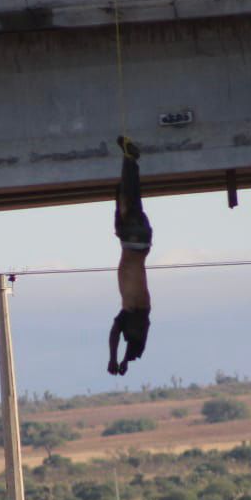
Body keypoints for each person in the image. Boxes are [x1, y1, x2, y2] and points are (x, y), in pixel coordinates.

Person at [108, 136, 152, 377]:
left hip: (133, 242)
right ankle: (130, 158)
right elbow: (119, 335)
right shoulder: (139, 310)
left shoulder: (129, 312)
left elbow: (116, 332)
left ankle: (129, 160)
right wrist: (118, 359)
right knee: (129, 203)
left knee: (125, 202)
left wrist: (118, 360)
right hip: (136, 243)